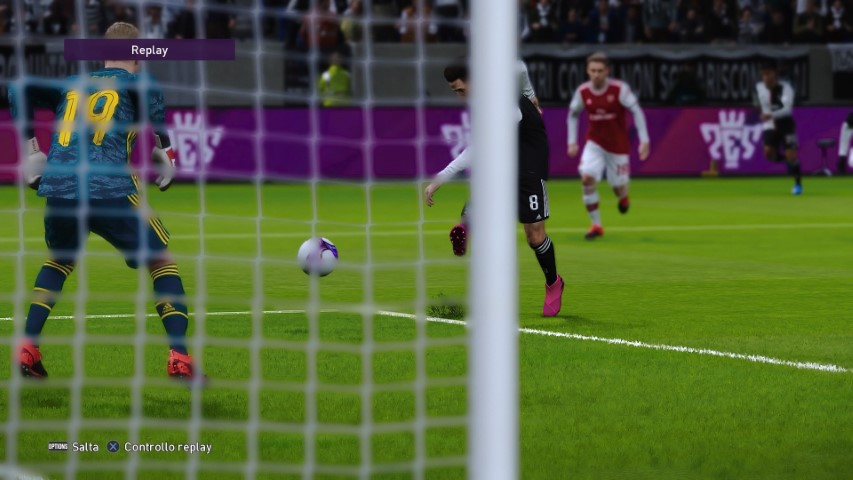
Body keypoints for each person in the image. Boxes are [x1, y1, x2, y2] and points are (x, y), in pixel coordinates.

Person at [10, 22, 203, 383]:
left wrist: (30, 149)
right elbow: (152, 100)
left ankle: (28, 347)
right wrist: (166, 150)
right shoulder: (137, 81)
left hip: (59, 186)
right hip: (108, 185)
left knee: (59, 260)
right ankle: (179, 356)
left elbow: (17, 88)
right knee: (161, 261)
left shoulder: (72, 84)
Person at [424, 60, 564, 317]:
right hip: (506, 158)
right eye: (455, 91)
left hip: (530, 161)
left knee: (535, 237)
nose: (459, 96)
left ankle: (553, 282)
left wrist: (440, 178)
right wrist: (531, 94)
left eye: (460, 90)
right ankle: (466, 225)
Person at [566, 52, 650, 241]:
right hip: (594, 143)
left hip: (618, 146)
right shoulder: (583, 92)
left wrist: (644, 140)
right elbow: (573, 114)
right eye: (593, 70)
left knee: (617, 188)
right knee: (587, 179)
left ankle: (623, 195)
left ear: (607, 71)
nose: (596, 74)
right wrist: (572, 141)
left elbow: (636, 111)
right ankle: (596, 225)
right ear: (587, 71)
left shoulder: (619, 89)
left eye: (600, 71)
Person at [755, 60, 802, 195]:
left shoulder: (786, 88)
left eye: (768, 74)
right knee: (768, 153)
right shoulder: (759, 87)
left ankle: (798, 184)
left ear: (774, 74)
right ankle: (787, 160)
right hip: (770, 124)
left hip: (786, 124)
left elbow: (787, 110)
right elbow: (763, 105)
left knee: (792, 156)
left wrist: (770, 115)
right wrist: (767, 116)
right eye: (763, 74)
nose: (765, 77)